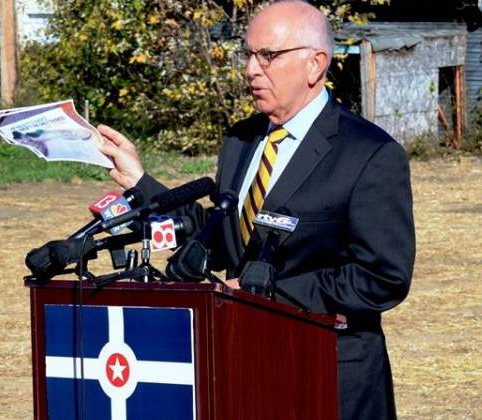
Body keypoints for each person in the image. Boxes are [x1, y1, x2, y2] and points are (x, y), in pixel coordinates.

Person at [96, 1, 415, 419]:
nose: (250, 70)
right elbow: (216, 235)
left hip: (328, 375)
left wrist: (264, 294)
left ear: (314, 64)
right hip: (246, 368)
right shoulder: (241, 141)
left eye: (268, 56)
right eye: (247, 54)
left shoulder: (369, 154)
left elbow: (382, 277)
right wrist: (141, 185)